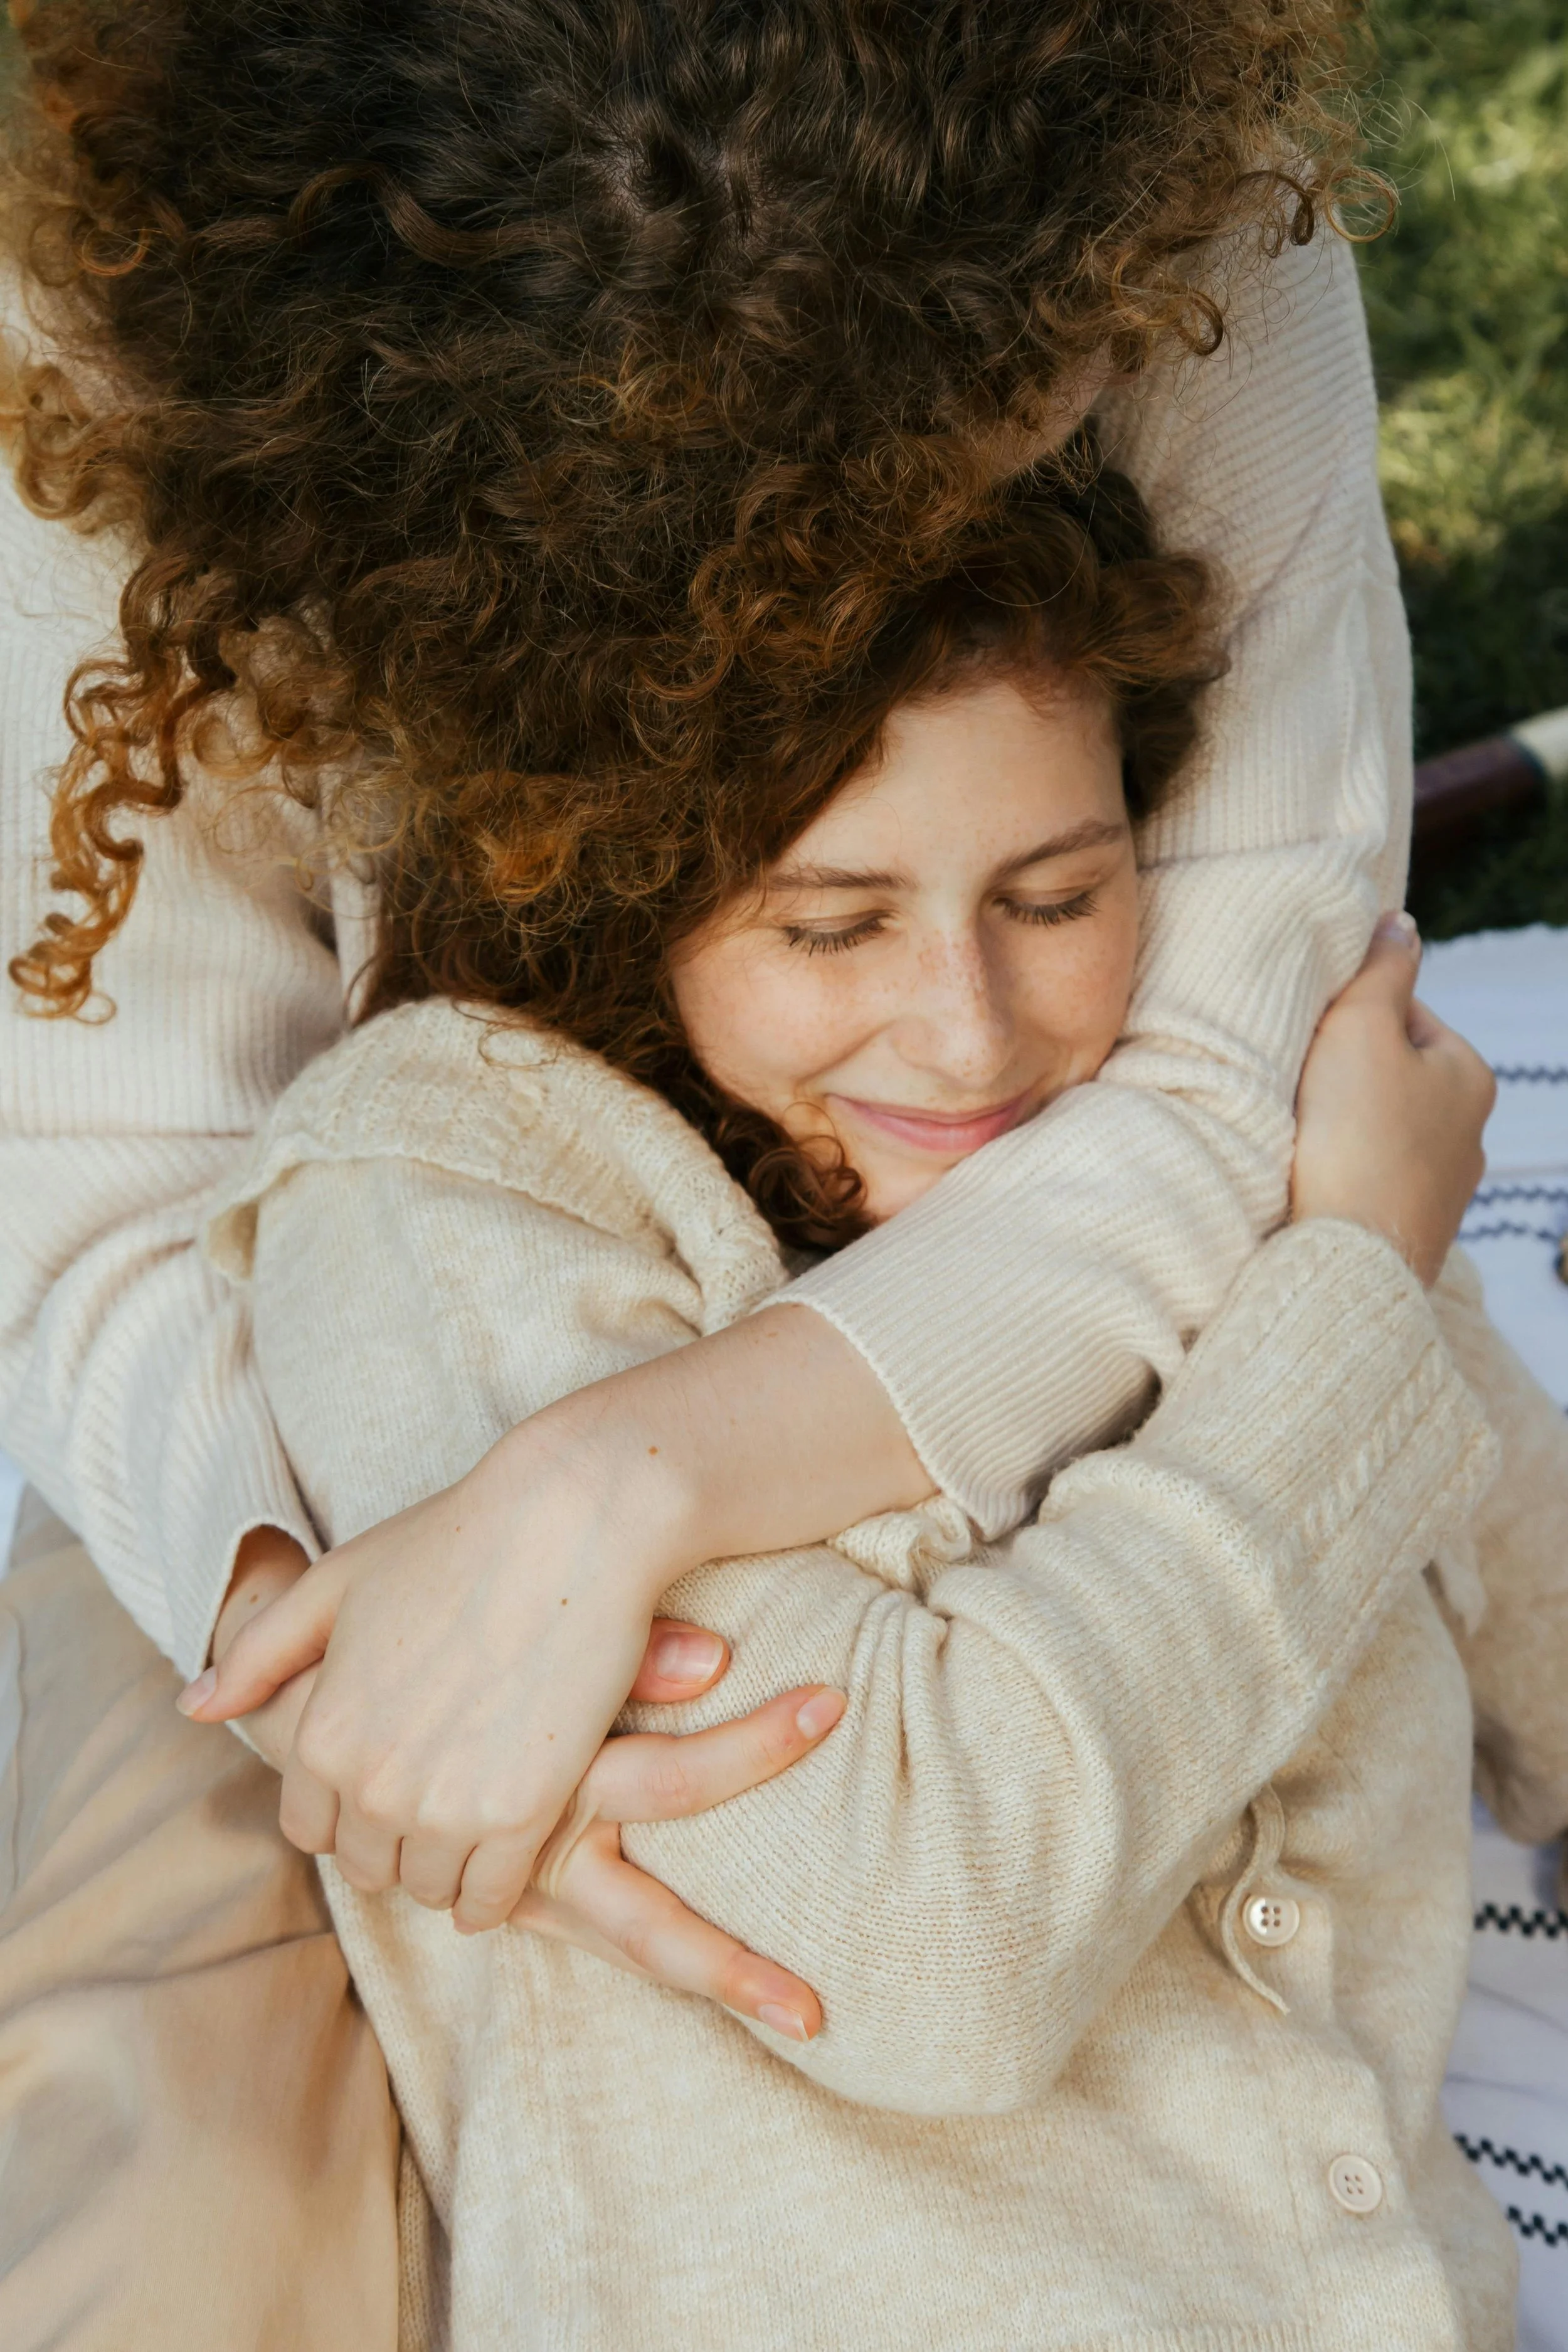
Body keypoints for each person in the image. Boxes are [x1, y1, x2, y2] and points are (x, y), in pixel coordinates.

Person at [0, 0, 1449, 2336]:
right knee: (152, 2202)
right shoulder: (157, 344)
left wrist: (627, 1481)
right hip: (344, 1349)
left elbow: (1250, 1068)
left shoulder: (1158, 186)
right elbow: (107, 1196)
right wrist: (335, 1657)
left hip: (1045, 1237)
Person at [186, 474, 1561, 2352]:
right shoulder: (450, 1199)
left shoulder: (1196, 1132)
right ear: (622, 876)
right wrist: (1346, 1284)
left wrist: (1359, 1260)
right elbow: (938, 1934)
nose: (972, 1030)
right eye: (831, 926)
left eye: (1055, 894)